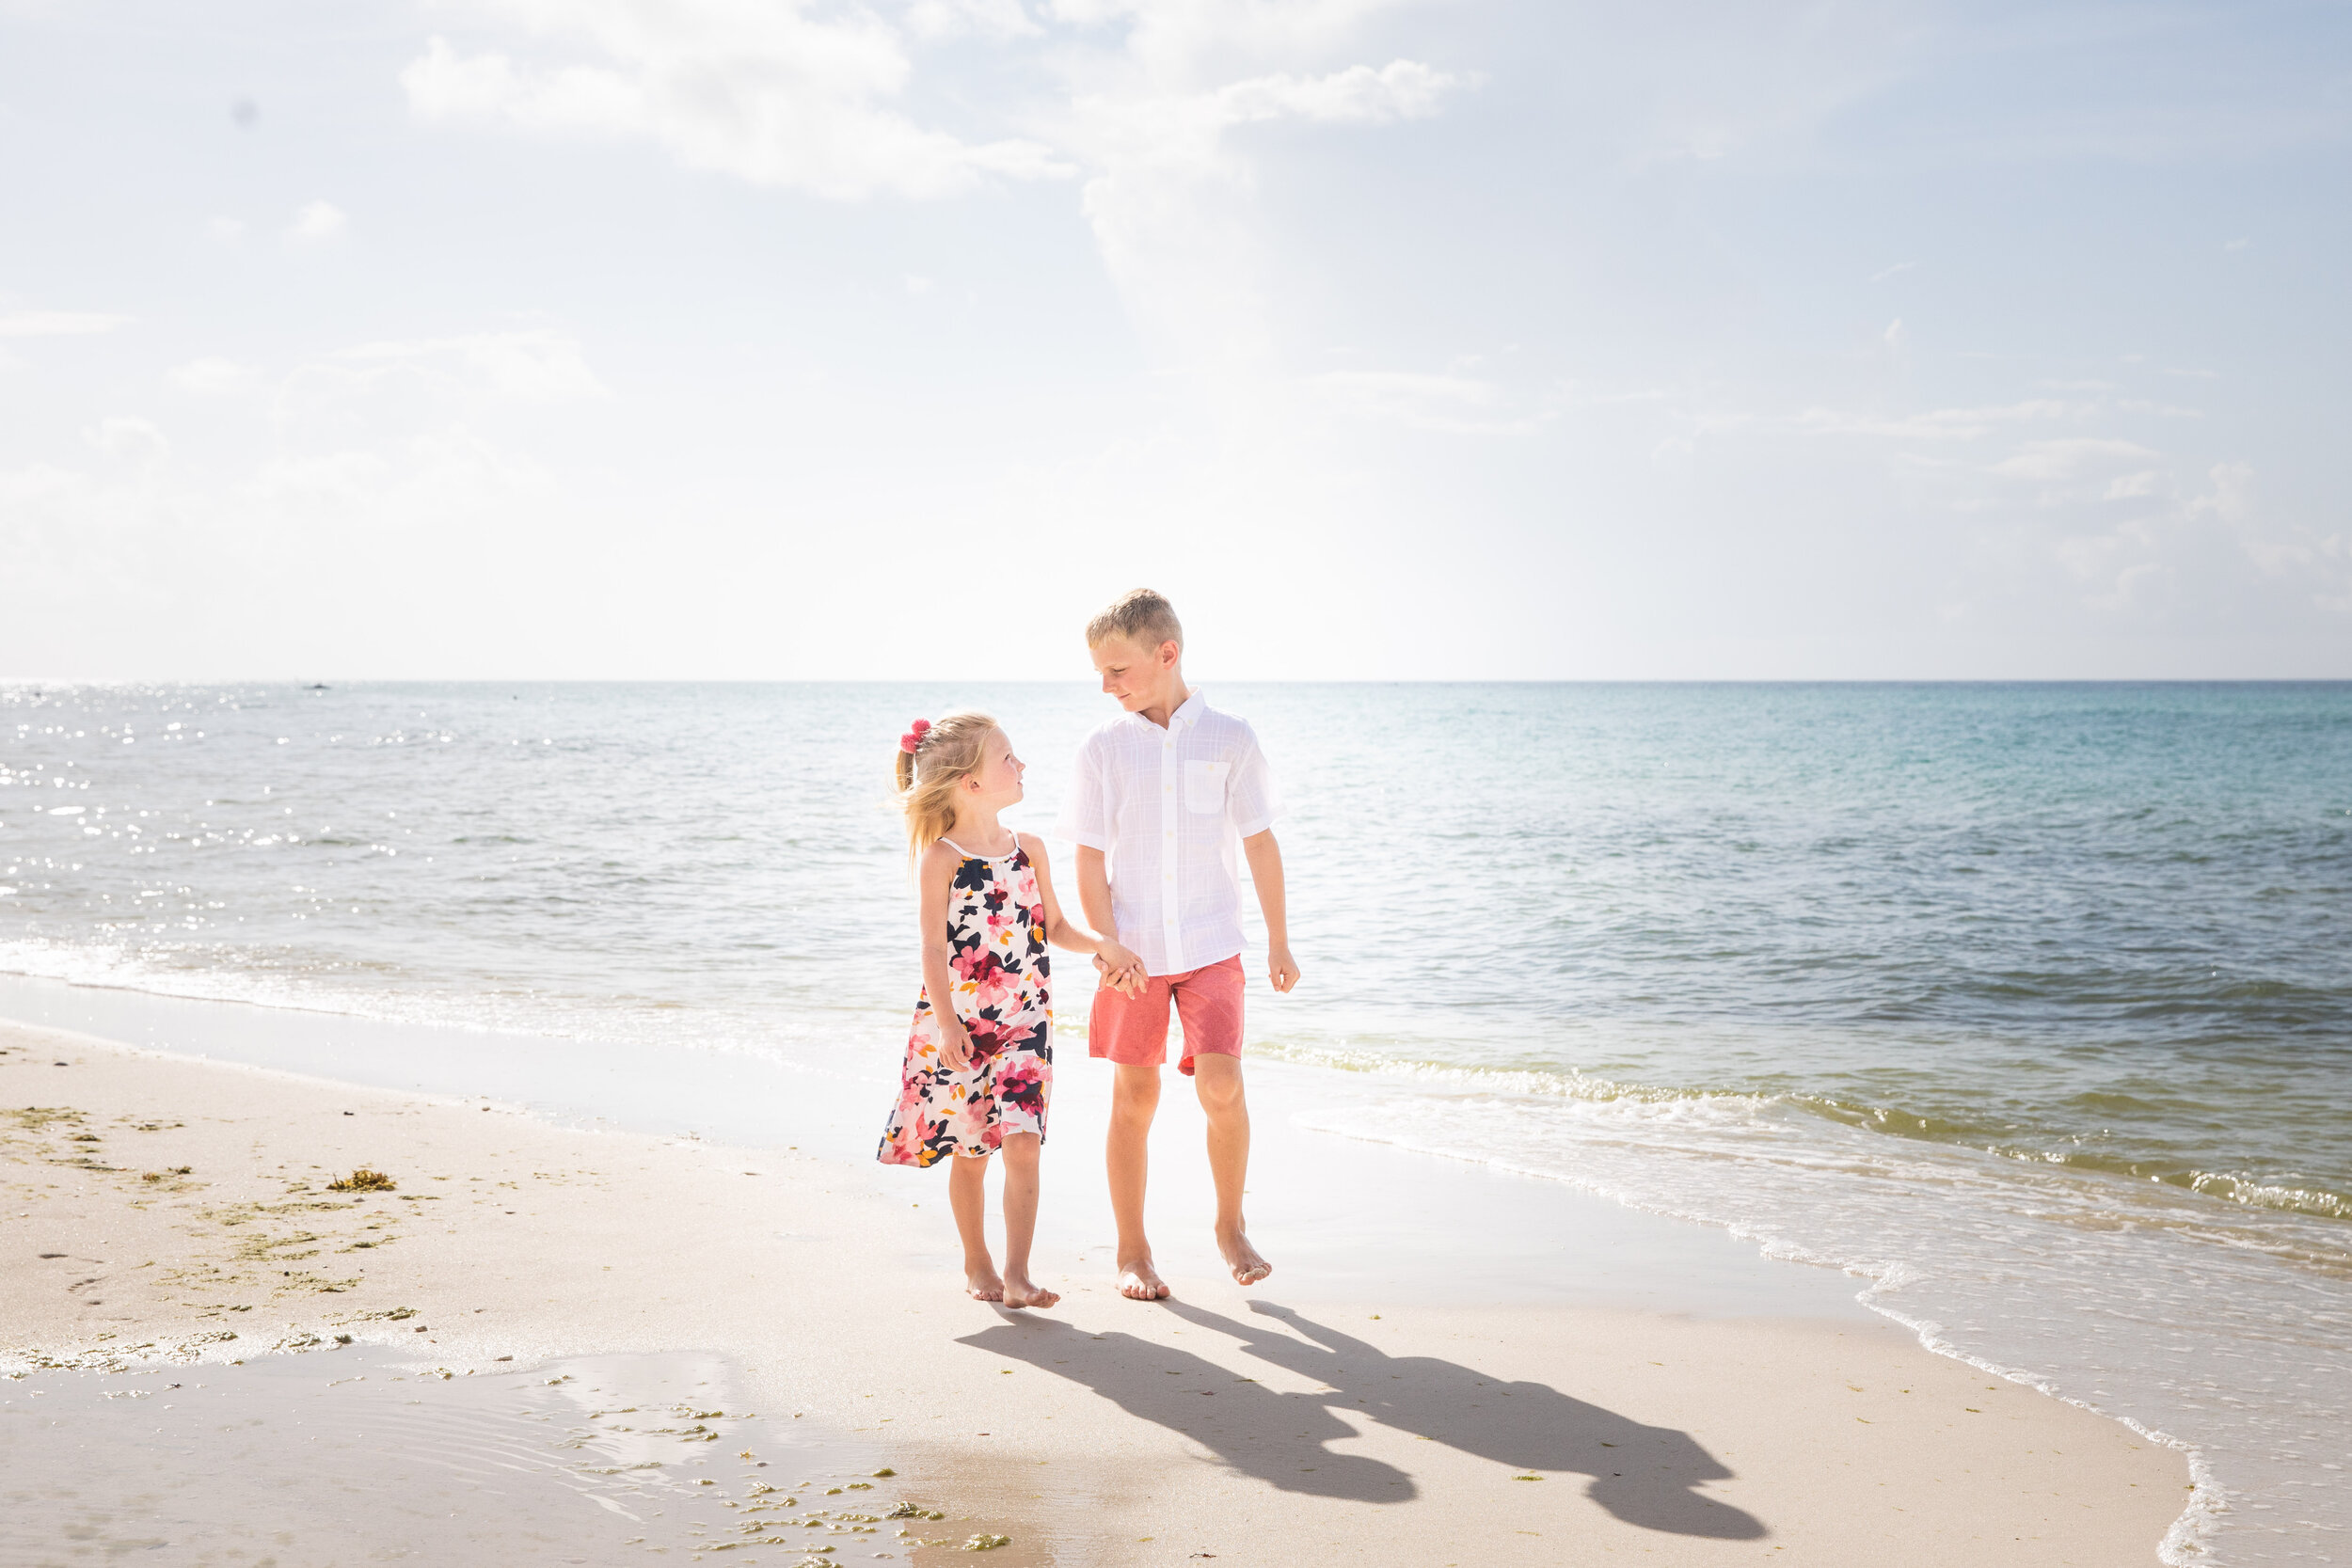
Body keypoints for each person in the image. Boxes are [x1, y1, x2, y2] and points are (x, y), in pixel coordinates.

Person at [1057, 590, 1300, 1301]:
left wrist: (1280, 941)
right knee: (1134, 1094)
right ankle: (1132, 1250)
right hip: (1129, 954)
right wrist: (1105, 941)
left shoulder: (1229, 737)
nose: (1106, 686)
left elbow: (1259, 840)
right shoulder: (1103, 747)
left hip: (1212, 942)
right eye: (1100, 672)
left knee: (1222, 1084)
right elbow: (1089, 857)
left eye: (1117, 669)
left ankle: (1230, 1225)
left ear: (1167, 655)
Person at [878, 711, 1143, 1309]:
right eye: (1007, 758)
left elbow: (1057, 927)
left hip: (1026, 1023)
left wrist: (1103, 948)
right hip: (960, 1028)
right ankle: (978, 1261)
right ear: (971, 783)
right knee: (972, 1153)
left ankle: (1018, 1273)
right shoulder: (941, 859)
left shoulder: (1033, 850)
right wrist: (945, 1023)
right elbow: (931, 948)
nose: (1021, 765)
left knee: (1023, 1144)